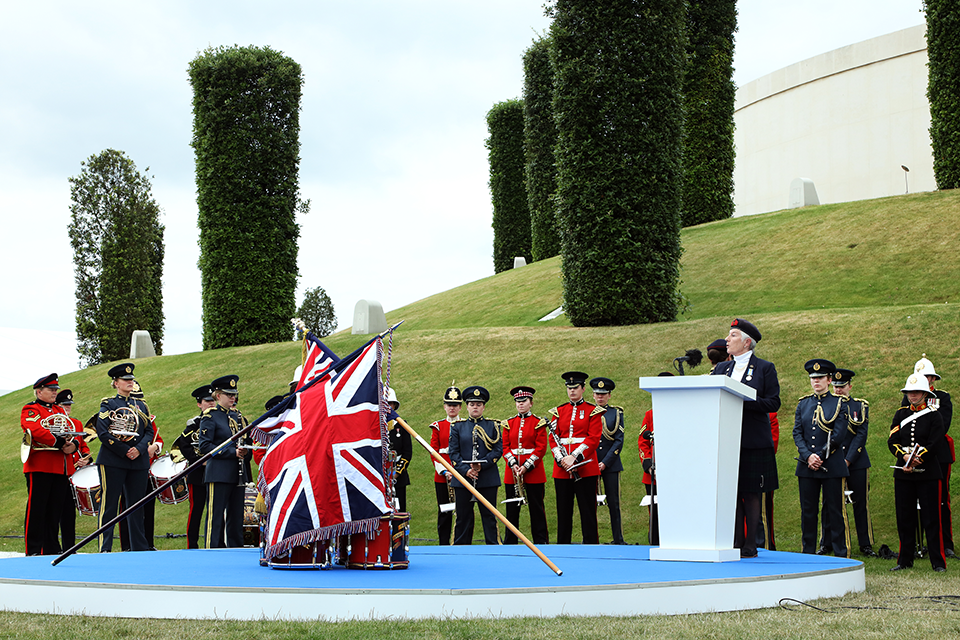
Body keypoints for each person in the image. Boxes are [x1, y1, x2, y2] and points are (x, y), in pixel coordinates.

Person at [711, 319, 780, 558]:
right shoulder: (721, 369)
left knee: (751, 493)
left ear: (746, 342)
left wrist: (745, 400)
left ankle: (751, 544)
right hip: (727, 441)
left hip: (753, 441)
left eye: (733, 335)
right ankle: (735, 541)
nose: (727, 340)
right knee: (731, 492)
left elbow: (773, 402)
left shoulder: (764, 368)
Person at [793, 359, 852, 557]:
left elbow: (839, 434)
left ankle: (840, 554)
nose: (816, 382)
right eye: (813, 378)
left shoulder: (839, 403)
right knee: (808, 513)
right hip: (807, 466)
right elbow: (797, 433)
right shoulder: (803, 404)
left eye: (820, 378)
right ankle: (807, 553)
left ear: (829, 380)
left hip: (831, 465)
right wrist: (808, 456)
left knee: (835, 512)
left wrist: (820, 455)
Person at [889, 372, 947, 572]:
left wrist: (916, 459)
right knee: (905, 518)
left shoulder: (934, 415)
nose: (912, 396)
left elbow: (935, 442)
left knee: (932, 518)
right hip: (903, 473)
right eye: (909, 392)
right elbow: (892, 441)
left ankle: (938, 562)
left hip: (928, 473)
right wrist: (904, 458)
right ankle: (904, 561)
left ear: (924, 393)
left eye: (916, 392)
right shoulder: (900, 414)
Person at [95, 363, 153, 552]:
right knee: (110, 504)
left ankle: (138, 546)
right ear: (116, 383)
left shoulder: (141, 405)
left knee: (136, 506)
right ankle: (104, 547)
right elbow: (103, 433)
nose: (130, 382)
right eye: (126, 380)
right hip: (113, 460)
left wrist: (138, 449)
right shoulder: (109, 404)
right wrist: (124, 450)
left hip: (138, 461)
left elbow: (149, 431)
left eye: (131, 379)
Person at [21, 373, 78, 555]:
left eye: (55, 390)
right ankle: (33, 550)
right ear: (39, 392)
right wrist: (59, 442)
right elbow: (35, 429)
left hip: (60, 466)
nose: (55, 393)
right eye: (51, 390)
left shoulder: (60, 411)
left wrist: (73, 444)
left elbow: (70, 430)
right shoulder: (31, 409)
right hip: (40, 464)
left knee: (55, 511)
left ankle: (51, 548)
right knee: (37, 510)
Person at [824, 368, 876, 557]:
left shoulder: (860, 406)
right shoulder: (827, 405)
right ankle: (826, 542)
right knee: (830, 503)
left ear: (850, 386)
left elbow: (860, 435)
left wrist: (848, 460)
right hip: (832, 461)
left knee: (861, 503)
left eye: (842, 387)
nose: (839, 390)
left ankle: (866, 543)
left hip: (857, 461)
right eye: (836, 387)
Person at [548, 371, 603, 545]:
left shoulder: (592, 411)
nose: (571, 391)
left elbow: (593, 438)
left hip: (585, 467)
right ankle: (563, 547)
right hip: (563, 468)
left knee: (587, 510)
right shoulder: (558, 411)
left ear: (583, 389)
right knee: (563, 511)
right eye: (569, 388)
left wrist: (574, 456)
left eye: (575, 388)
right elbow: (553, 437)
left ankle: (591, 545)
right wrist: (561, 458)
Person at [199, 374, 250, 548]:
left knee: (236, 517)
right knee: (215, 516)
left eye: (234, 394)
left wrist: (245, 451)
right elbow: (205, 446)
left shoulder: (238, 416)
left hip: (238, 473)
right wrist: (231, 452)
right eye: (229, 395)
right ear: (218, 396)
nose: (233, 398)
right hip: (219, 472)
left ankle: (236, 549)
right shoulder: (210, 416)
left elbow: (246, 441)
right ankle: (211, 549)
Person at [912, 355, 954, 558]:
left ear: (933, 380)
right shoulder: (909, 398)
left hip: (938, 455)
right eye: (920, 376)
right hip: (917, 455)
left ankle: (946, 544)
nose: (925, 381)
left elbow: (942, 426)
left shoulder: (942, 398)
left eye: (928, 377)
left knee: (942, 501)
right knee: (918, 500)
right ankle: (920, 544)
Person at [449, 385, 502, 545]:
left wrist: (482, 465)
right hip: (463, 479)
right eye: (472, 404)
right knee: (462, 518)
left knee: (489, 517)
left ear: (483, 406)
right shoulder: (458, 427)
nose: (475, 407)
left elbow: (497, 450)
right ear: (467, 406)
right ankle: (460, 550)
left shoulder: (493, 426)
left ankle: (494, 550)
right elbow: (453, 453)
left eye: (478, 404)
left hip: (487, 478)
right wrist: (466, 471)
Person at [502, 386, 549, 545]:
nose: (520, 404)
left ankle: (541, 542)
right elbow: (505, 447)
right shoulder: (508, 423)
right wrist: (514, 463)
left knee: (536, 509)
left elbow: (541, 447)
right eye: (517, 401)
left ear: (531, 403)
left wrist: (527, 466)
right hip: (512, 473)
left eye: (524, 401)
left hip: (533, 472)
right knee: (512, 511)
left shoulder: (538, 423)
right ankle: (510, 543)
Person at [172, 385, 215, 549]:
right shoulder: (194, 424)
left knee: (216, 510)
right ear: (199, 404)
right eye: (207, 401)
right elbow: (184, 444)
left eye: (213, 401)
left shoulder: (221, 421)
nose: (211, 404)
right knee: (196, 510)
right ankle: (192, 546)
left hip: (217, 472)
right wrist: (199, 460)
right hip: (198, 474)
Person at [591, 377, 625, 545]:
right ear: (593, 395)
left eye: (603, 394)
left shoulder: (616, 413)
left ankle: (618, 538)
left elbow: (618, 440)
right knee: (589, 505)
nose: (600, 397)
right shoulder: (588, 413)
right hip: (590, 464)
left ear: (609, 396)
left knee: (614, 503)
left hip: (610, 464)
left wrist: (605, 462)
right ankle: (591, 539)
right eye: (597, 394)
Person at [56, 388, 91, 552]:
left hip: (76, 475)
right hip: (62, 472)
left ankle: (70, 547)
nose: (68, 408)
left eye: (70, 405)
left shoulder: (76, 423)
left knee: (70, 513)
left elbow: (84, 446)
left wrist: (86, 458)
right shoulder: (56, 423)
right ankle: (54, 546)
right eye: (65, 405)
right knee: (56, 512)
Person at [638, 372, 672, 546]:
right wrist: (649, 463)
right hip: (654, 472)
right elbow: (643, 441)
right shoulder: (650, 414)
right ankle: (655, 542)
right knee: (655, 511)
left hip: (674, 471)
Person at [429, 385, 462, 545]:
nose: (452, 408)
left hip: (462, 473)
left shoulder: (465, 425)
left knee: (462, 511)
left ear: (460, 407)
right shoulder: (438, 426)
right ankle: (443, 543)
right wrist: (445, 471)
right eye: (449, 405)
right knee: (445, 510)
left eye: (455, 405)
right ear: (444, 406)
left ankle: (461, 542)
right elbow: (433, 451)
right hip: (442, 475)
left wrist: (458, 470)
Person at [386, 387, 412, 512]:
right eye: (386, 404)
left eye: (391, 404)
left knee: (400, 511)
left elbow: (407, 453)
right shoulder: (374, 427)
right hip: (381, 476)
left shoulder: (402, 426)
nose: (389, 407)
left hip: (398, 476)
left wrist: (396, 473)